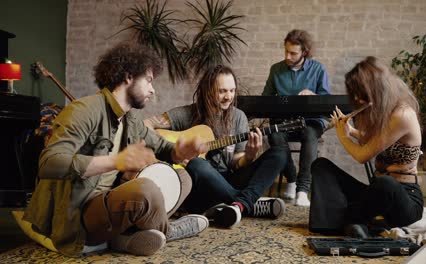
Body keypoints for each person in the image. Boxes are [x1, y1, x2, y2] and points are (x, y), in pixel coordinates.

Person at [22, 43, 210, 257]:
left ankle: (126, 237)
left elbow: (162, 147)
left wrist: (180, 150)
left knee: (183, 177)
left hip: (113, 200)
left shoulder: (130, 118)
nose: (152, 89)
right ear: (129, 76)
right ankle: (170, 230)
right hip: (80, 212)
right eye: (148, 80)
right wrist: (116, 162)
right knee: (146, 190)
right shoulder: (84, 110)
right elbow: (48, 163)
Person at [145, 65, 288, 228]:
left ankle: (235, 205)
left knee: (280, 153)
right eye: (222, 91)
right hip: (200, 189)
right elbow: (146, 124)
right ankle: (247, 204)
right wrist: (174, 151)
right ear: (208, 91)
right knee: (197, 163)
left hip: (228, 180)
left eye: (232, 91)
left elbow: (235, 163)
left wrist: (248, 155)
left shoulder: (238, 117)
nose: (229, 97)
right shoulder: (188, 114)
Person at [309, 56, 424, 238]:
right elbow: (377, 140)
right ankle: (335, 224)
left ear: (377, 89)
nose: (356, 99)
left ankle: (349, 218)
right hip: (376, 193)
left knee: (385, 183)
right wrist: (351, 131)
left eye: (360, 93)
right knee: (320, 166)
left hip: (403, 199)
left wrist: (343, 136)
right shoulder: (386, 110)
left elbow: (363, 155)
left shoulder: (402, 114)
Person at [262, 29, 330, 206]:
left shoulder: (318, 69)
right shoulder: (276, 70)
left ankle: (302, 190)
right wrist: (274, 102)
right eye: (286, 51)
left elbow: (326, 101)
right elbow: (265, 99)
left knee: (309, 133)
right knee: (275, 135)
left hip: (311, 122)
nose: (288, 56)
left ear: (304, 52)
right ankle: (291, 180)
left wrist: (313, 96)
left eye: (293, 53)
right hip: (285, 122)